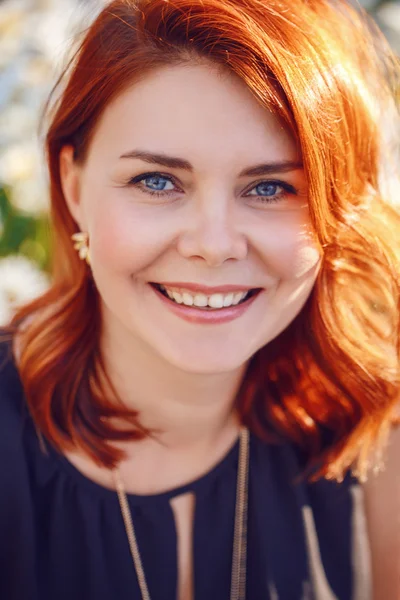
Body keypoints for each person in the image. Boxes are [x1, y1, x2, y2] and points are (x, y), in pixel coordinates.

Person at [0, 0, 399, 598]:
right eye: (157, 181)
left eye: (271, 187)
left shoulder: (371, 444)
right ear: (72, 186)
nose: (213, 246)